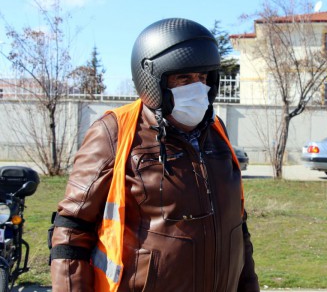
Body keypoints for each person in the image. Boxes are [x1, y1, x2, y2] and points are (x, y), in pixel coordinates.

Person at [49, 18, 260, 292]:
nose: (197, 88)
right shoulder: (114, 132)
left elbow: (237, 227)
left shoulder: (217, 132)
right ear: (152, 80)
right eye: (183, 78)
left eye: (203, 77)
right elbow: (71, 230)